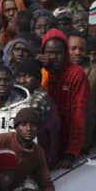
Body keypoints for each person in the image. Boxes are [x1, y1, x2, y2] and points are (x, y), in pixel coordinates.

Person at [39, 29, 89, 168]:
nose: (54, 57)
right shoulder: (40, 71)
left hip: (67, 144)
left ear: (66, 53)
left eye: (59, 53)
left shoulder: (76, 75)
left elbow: (78, 116)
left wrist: (71, 153)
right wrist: (36, 66)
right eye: (49, 53)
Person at [13, 57, 61, 168]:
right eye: (19, 76)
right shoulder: (27, 95)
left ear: (38, 79)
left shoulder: (36, 100)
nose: (22, 81)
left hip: (39, 158)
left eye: (27, 76)